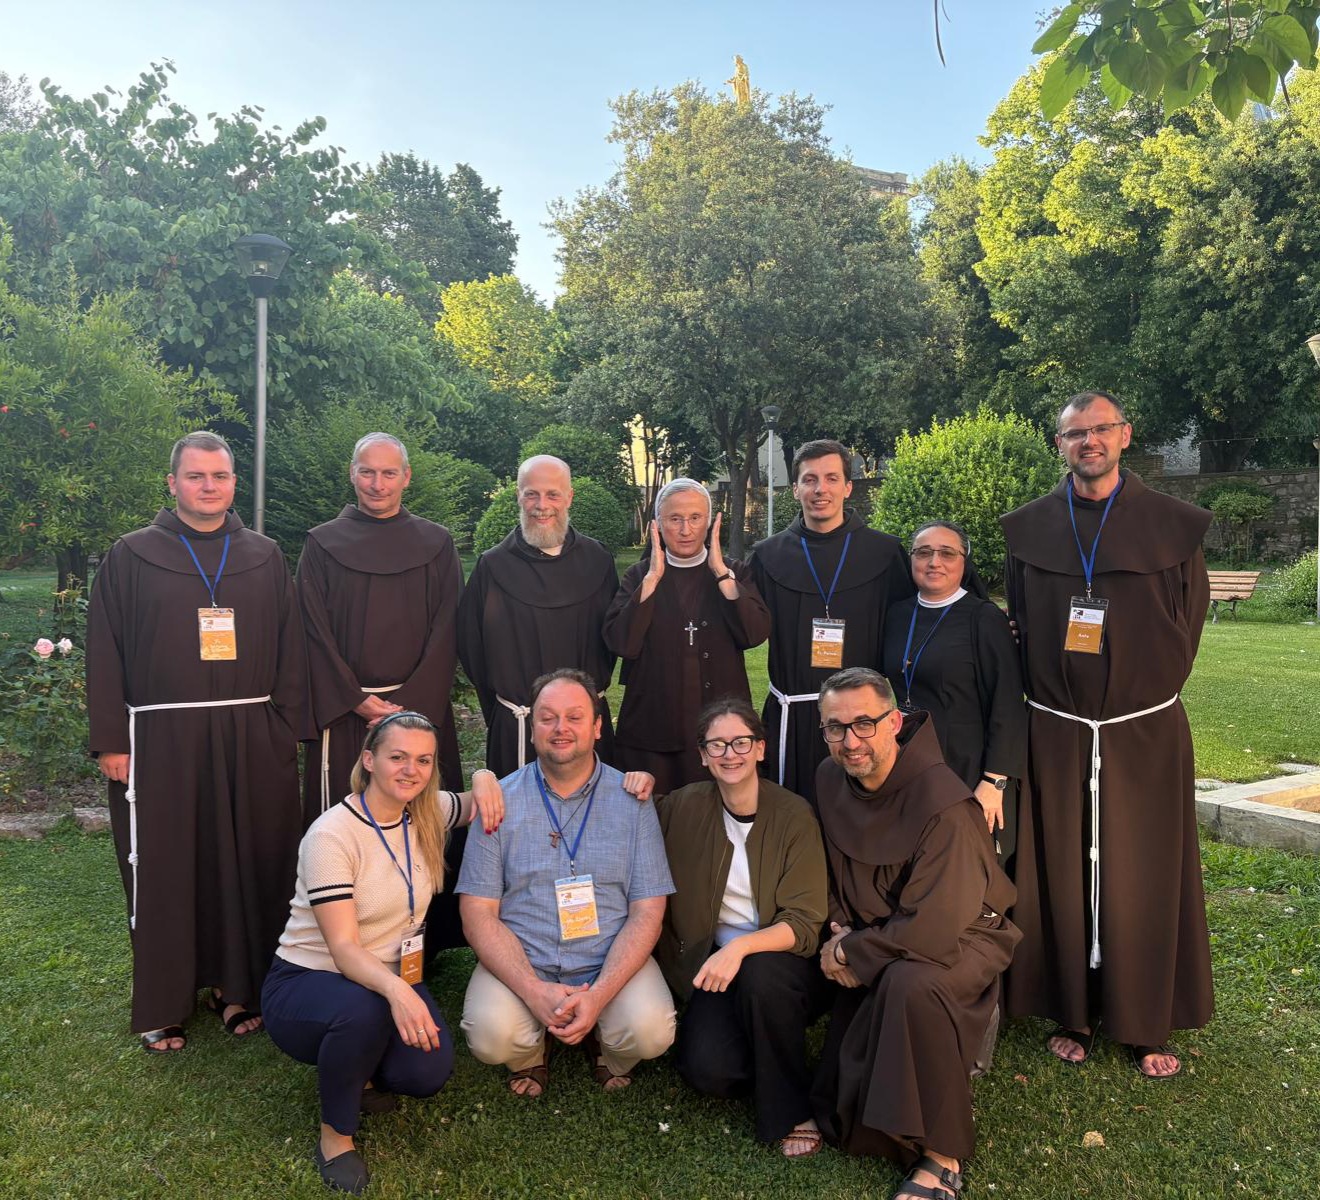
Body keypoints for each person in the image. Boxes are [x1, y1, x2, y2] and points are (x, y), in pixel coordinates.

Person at [1001, 390, 1213, 1080]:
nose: (1088, 441)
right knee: (1062, 869)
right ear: (1059, 444)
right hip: (1058, 730)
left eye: (1100, 429)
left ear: (1125, 434)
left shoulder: (1171, 525)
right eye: (1074, 433)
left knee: (1144, 872)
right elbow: (1021, 620)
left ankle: (1145, 1019)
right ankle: (1073, 1011)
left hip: (1142, 730)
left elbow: (1188, 621)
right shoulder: (1030, 529)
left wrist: (1139, 694)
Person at [86, 430, 310, 1052]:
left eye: (220, 476)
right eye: (195, 476)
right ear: (173, 483)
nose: (209, 486)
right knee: (167, 865)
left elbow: (291, 647)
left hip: (249, 733)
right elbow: (104, 650)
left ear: (234, 483)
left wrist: (283, 728)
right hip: (161, 738)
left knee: (248, 861)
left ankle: (238, 988)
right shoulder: (131, 556)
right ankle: (166, 1001)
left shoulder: (264, 555)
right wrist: (111, 740)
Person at [262, 712, 504, 1195]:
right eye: (398, 757)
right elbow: (344, 949)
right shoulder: (332, 836)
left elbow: (476, 800)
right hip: (310, 978)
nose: (411, 770)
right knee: (365, 1011)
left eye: (424, 760)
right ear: (369, 760)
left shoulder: (424, 811)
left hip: (386, 976)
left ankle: (363, 1071)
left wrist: (483, 775)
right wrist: (399, 991)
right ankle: (335, 1136)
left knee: (424, 1074)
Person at [810, 668, 1020, 1200]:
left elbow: (936, 925)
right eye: (835, 727)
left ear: (894, 723)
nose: (850, 741)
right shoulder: (830, 779)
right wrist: (840, 929)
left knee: (910, 985)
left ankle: (941, 1152)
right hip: (879, 935)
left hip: (963, 935)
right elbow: (828, 871)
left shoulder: (944, 804)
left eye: (864, 723)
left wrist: (851, 951)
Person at [457, 668, 676, 1096]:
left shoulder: (632, 800)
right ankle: (529, 1053)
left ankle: (608, 1048)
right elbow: (477, 912)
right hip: (525, 958)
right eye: (548, 717)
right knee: (490, 1035)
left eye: (575, 717)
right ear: (532, 727)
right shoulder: (498, 800)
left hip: (607, 958)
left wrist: (600, 994)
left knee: (650, 1032)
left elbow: (648, 910)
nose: (561, 728)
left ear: (597, 727)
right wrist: (531, 989)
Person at [296, 433, 468, 953]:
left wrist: (409, 711)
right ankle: (340, 938)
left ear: (406, 477)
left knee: (421, 818)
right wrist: (354, 698)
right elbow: (310, 628)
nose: (377, 483)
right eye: (367, 472)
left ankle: (421, 940)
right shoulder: (322, 544)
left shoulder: (436, 544)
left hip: (417, 712)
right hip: (348, 712)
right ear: (352, 474)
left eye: (388, 472)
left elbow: (448, 628)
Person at [655, 698, 829, 1158]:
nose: (729, 754)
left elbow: (804, 923)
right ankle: (770, 1046)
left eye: (740, 742)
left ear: (760, 749)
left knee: (761, 975)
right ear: (703, 755)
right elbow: (627, 813)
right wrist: (634, 782)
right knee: (708, 1071)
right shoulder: (683, 807)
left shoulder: (794, 815)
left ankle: (793, 1109)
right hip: (717, 968)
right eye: (717, 745)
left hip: (784, 964)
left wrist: (739, 949)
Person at [746, 439, 913, 802]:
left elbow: (915, 625)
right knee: (792, 815)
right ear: (795, 489)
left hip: (860, 724)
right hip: (792, 714)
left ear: (848, 486)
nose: (820, 489)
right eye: (810, 479)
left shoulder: (884, 553)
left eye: (831, 478)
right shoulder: (767, 556)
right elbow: (740, 625)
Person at [605, 479, 771, 794]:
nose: (685, 529)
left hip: (721, 732)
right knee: (654, 813)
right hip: (653, 730)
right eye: (675, 519)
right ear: (657, 525)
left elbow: (755, 634)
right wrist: (652, 580)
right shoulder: (639, 575)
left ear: (709, 522)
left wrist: (721, 574)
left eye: (695, 518)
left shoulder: (733, 571)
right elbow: (621, 643)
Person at [457, 455, 619, 777]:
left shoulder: (598, 560)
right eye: (531, 494)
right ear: (518, 496)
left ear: (569, 497)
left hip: (585, 728)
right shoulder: (493, 566)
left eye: (552, 494)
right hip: (518, 728)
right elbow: (472, 649)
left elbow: (614, 639)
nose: (541, 505)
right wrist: (504, 710)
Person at [880, 521, 1026, 868]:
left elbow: (1007, 703)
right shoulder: (897, 614)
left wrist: (994, 780)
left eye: (947, 553)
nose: (934, 562)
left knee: (966, 865)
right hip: (911, 761)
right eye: (923, 552)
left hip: (968, 766)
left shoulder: (984, 618)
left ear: (964, 561)